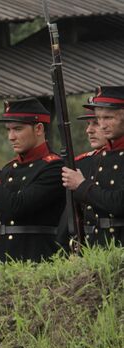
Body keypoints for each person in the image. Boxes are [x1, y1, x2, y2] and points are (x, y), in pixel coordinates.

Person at [0, 97, 65, 261]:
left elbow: (16, 207)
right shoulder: (9, 168)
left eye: (17, 129)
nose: (11, 136)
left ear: (38, 129)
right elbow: (4, 220)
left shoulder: (54, 167)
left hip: (37, 258)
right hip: (5, 259)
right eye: (8, 129)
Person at [62, 86, 124, 246]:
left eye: (108, 118)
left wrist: (82, 185)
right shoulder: (99, 158)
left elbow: (118, 203)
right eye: (99, 118)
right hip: (97, 247)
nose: (102, 125)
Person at [55, 108, 107, 248]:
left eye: (96, 123)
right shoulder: (82, 163)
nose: (89, 130)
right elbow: (71, 214)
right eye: (88, 124)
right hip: (89, 246)